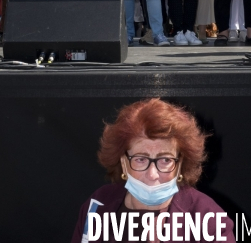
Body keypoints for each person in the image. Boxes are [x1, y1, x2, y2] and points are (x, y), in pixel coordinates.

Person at [71, 98, 235, 243]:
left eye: (165, 160)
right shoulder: (99, 204)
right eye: (141, 159)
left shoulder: (207, 218)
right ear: (123, 162)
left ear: (180, 164)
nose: (152, 174)